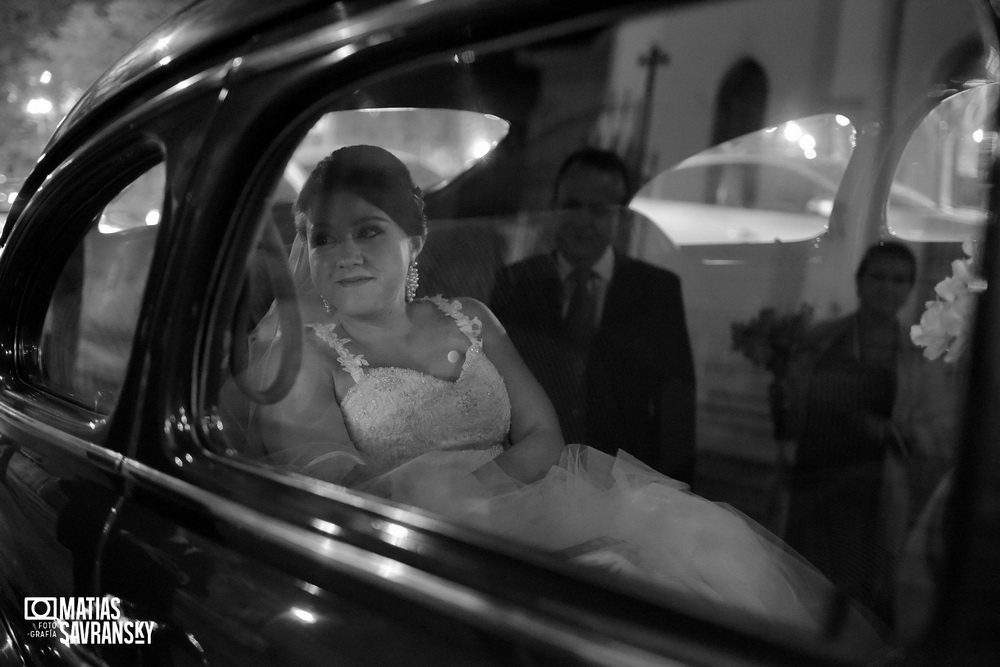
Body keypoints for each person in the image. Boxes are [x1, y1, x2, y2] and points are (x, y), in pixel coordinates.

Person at [245, 145, 885, 645]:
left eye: (368, 231)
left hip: (547, 495)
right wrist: (457, 515)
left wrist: (488, 491)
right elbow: (333, 493)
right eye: (323, 237)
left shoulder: (471, 315)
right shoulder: (306, 356)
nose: (345, 254)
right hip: (419, 545)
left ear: (413, 240)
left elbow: (542, 430)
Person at [489, 148, 697, 485]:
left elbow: (677, 408)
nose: (584, 222)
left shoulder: (657, 290)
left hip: (624, 486)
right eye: (572, 206)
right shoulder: (516, 282)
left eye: (600, 211)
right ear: (553, 208)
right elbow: (494, 387)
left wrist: (678, 491)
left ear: (621, 217)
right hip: (531, 480)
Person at [783, 241, 957, 626]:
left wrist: (889, 431)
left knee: (853, 602)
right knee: (795, 588)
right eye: (877, 276)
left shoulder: (918, 358)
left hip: (870, 495)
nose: (886, 287)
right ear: (859, 282)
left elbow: (939, 433)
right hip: (811, 485)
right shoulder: (821, 338)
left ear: (910, 289)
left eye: (898, 280)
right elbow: (791, 407)